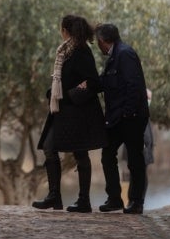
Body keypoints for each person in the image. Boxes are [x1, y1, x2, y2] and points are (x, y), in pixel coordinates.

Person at [32, 15, 107, 213]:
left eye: (61, 29)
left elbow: (94, 82)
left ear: (66, 30)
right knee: (49, 147)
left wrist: (69, 94)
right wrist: (54, 93)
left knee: (80, 153)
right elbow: (67, 79)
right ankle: (54, 196)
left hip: (78, 112)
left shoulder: (81, 51)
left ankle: (83, 201)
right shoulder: (65, 51)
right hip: (63, 110)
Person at [95, 23, 150, 215]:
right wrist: (86, 85)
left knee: (134, 159)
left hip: (130, 117)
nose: (97, 46)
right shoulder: (113, 57)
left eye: (97, 42)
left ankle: (136, 202)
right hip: (118, 117)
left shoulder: (125, 54)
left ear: (102, 41)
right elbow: (104, 82)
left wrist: (127, 113)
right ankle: (115, 199)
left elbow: (133, 86)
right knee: (107, 154)